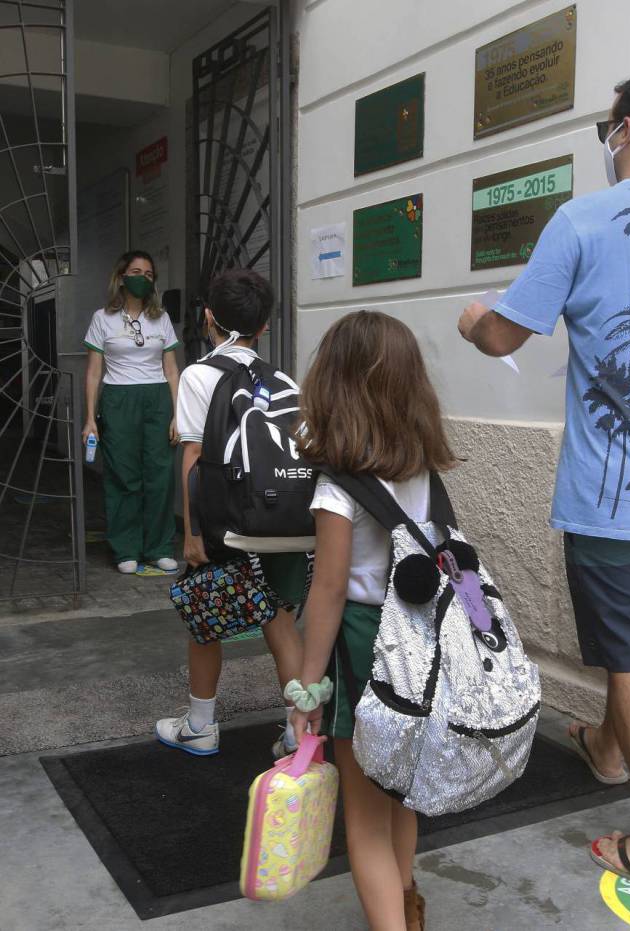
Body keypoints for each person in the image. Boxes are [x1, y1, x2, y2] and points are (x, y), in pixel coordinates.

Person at [458, 65, 630, 901]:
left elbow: (500, 336)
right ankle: (606, 750)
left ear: (625, 128)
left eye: (608, 124)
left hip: (617, 492)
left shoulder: (582, 218)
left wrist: (470, 319)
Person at [290, 311, 454, 931]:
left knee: (361, 820)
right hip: (421, 642)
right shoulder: (421, 471)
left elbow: (329, 591)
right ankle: (407, 906)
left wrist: (306, 688)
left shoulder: (339, 487)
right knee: (400, 796)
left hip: (364, 648)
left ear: (333, 384)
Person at [155, 268, 305, 758]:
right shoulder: (282, 379)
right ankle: (295, 732)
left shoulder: (200, 374)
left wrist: (191, 531)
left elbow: (194, 456)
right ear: (262, 327)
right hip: (281, 522)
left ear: (208, 318)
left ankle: (200, 726)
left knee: (205, 619)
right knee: (280, 622)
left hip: (224, 524)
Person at [82, 250, 179, 574]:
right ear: (121, 277)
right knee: (124, 476)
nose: (143, 277)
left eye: (149, 274)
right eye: (136, 271)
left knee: (160, 475)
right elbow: (94, 372)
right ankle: (126, 548)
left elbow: (171, 370)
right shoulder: (102, 318)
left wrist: (179, 414)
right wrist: (90, 418)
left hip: (156, 398)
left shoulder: (160, 318)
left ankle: (159, 546)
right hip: (118, 399)